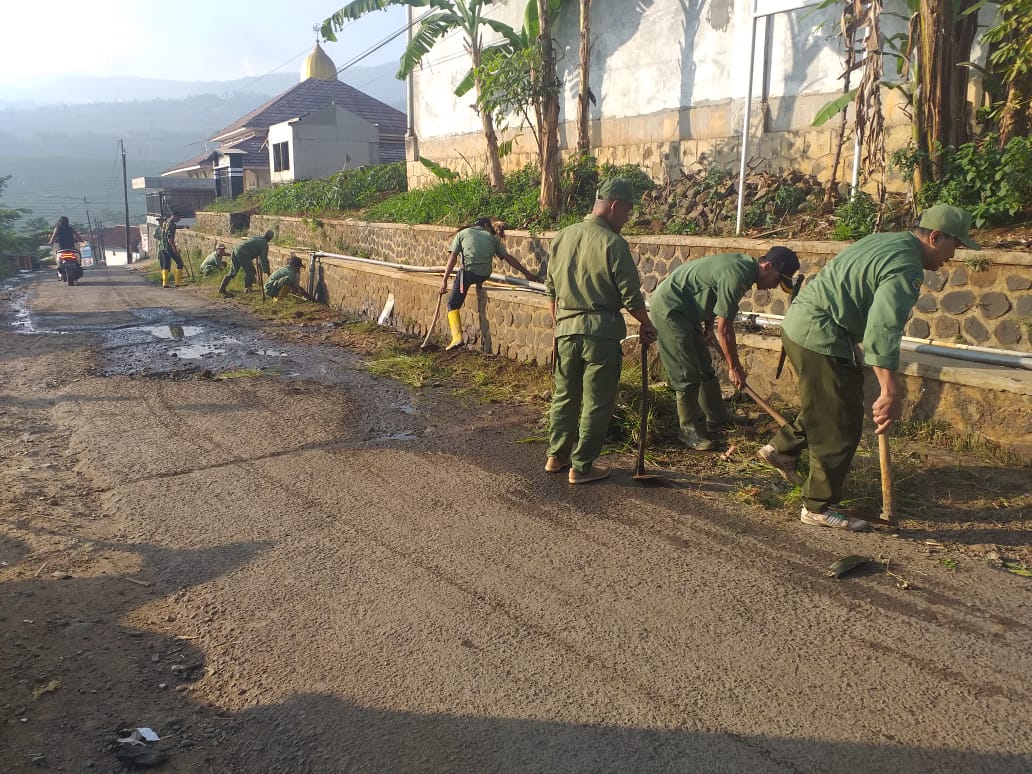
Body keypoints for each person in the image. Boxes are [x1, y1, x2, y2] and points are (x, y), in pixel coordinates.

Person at [757, 204, 979, 531]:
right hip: (821, 333)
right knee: (841, 423)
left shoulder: (886, 240)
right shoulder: (906, 265)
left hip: (803, 324)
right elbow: (883, 327)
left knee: (829, 402)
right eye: (954, 245)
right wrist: (890, 390)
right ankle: (818, 505)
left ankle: (782, 450)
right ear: (935, 237)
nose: (953, 255)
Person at [544, 177, 657, 485]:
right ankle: (581, 467)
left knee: (565, 395)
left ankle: (556, 456)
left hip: (566, 330)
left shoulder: (563, 236)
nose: (628, 218)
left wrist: (560, 322)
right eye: (628, 211)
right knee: (596, 400)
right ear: (614, 206)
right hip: (600, 334)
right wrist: (647, 325)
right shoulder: (614, 243)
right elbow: (631, 296)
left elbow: (550, 289)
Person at [650, 246, 800, 450]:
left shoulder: (746, 269)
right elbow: (725, 330)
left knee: (705, 368)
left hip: (688, 311)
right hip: (671, 310)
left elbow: (713, 293)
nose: (774, 286)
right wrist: (734, 367)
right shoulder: (737, 275)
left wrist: (708, 326)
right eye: (777, 280)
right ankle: (689, 430)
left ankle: (717, 418)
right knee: (686, 374)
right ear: (767, 266)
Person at [440, 217, 538, 350]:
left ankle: (457, 337)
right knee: (473, 273)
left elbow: (452, 257)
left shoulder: (462, 234)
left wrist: (445, 280)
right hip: (484, 274)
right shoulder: (492, 238)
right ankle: (478, 284)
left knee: (452, 304)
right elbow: (508, 258)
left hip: (468, 275)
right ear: (486, 226)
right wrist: (527, 273)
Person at [218, 230, 274, 295]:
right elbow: (264, 259)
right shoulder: (264, 244)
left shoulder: (257, 238)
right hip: (243, 253)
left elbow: (258, 254)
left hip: (236, 250)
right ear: (270, 238)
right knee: (251, 271)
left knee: (232, 271)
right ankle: (248, 288)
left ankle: (222, 288)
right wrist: (267, 272)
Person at [50, 216, 85, 283]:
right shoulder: (70, 228)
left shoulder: (57, 228)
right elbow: (77, 235)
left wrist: (51, 241)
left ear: (59, 221)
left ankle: (62, 274)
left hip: (61, 248)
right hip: (71, 247)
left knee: (57, 257)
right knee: (78, 254)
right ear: (67, 221)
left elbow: (53, 237)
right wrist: (81, 240)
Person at [159, 211, 187, 288]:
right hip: (169, 247)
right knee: (180, 263)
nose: (179, 219)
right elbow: (170, 238)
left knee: (166, 264)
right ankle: (178, 282)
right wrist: (174, 248)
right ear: (174, 216)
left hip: (163, 246)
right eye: (179, 217)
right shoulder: (172, 225)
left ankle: (165, 283)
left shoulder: (165, 223)